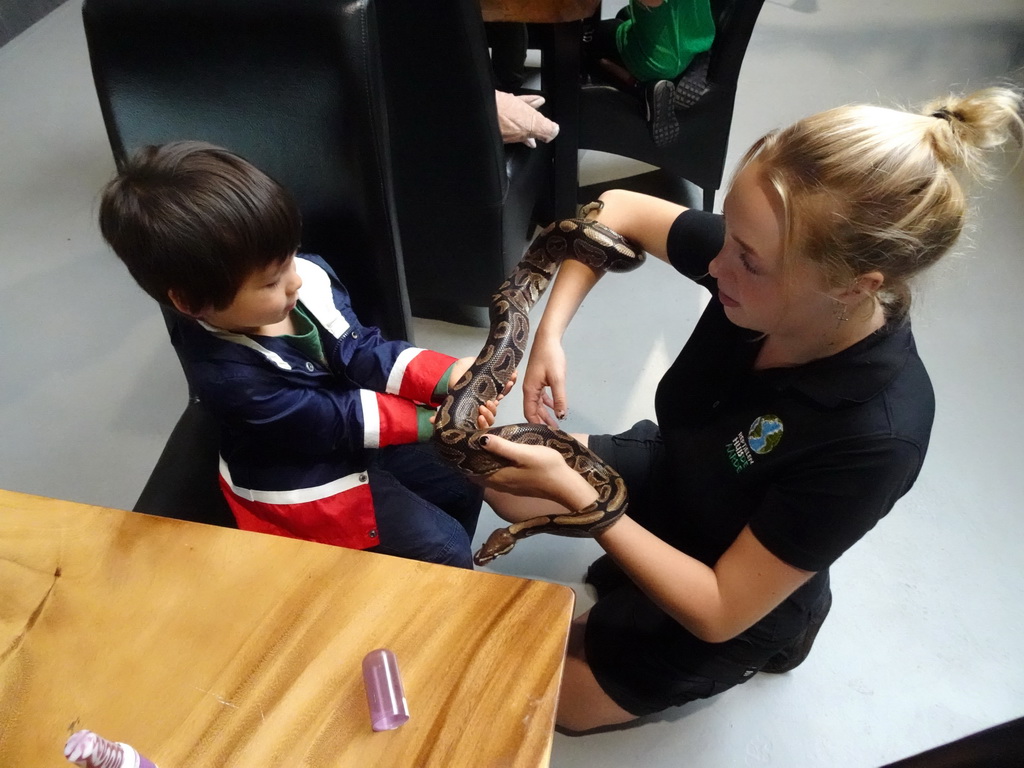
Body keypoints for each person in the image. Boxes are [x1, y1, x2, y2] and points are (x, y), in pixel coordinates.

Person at [478, 87, 1023, 730]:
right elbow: (618, 209)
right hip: (685, 474)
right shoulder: (765, 267)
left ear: (852, 286)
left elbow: (717, 609)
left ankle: (784, 625)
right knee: (500, 477)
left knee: (549, 701)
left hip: (734, 595)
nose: (714, 264)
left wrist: (583, 501)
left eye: (746, 259)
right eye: (729, 236)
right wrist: (550, 335)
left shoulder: (877, 435)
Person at [98, 141, 501, 569]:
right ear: (192, 302)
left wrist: (448, 375)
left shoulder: (300, 282)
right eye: (271, 282)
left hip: (358, 433)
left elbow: (359, 349)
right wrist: (438, 421)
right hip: (309, 478)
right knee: (444, 546)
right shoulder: (229, 378)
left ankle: (422, 577)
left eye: (290, 256)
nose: (294, 281)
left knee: (463, 480)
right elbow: (335, 417)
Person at [584, 1, 716, 145]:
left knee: (590, 41)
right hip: (698, 35)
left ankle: (642, 88)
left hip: (658, 60)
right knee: (624, 13)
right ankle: (694, 59)